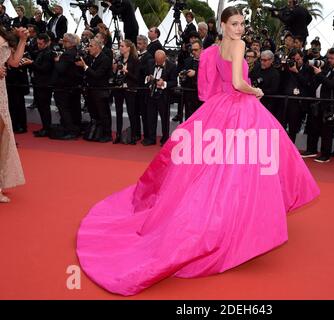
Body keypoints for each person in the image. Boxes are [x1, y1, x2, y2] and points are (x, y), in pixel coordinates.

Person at [76, 6, 320, 296]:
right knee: (247, 168)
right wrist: (256, 91)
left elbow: (214, 86)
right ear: (223, 24)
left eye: (242, 24)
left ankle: (229, 221)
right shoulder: (239, 45)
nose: (240, 29)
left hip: (221, 109)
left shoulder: (215, 49)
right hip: (240, 109)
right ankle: (238, 227)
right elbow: (239, 83)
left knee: (220, 170)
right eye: (234, 23)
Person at [0, 26, 29, 203]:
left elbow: (14, 62)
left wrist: (22, 40)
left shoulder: (3, 34)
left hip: (1, 92)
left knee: (3, 138)